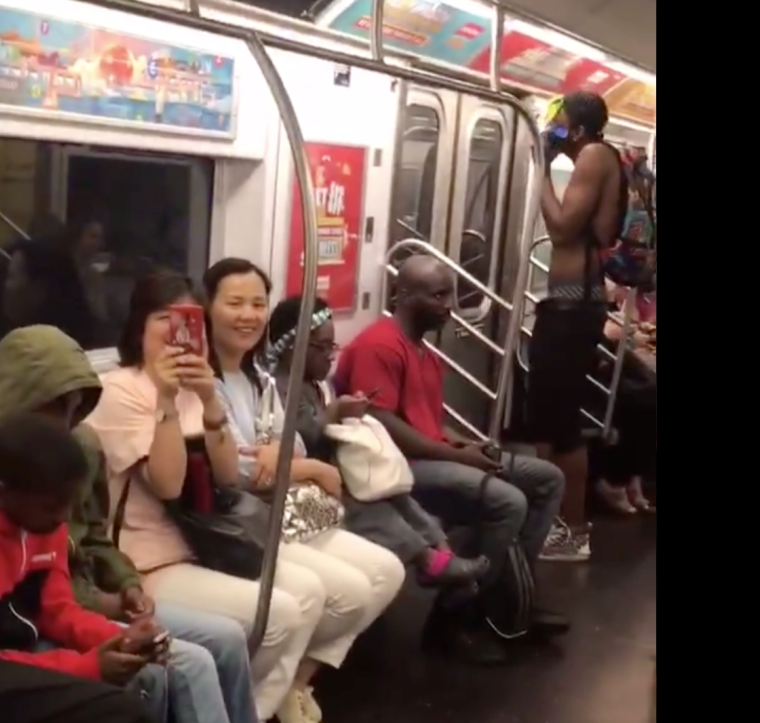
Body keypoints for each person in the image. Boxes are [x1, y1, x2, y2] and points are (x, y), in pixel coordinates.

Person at [84, 267, 399, 723]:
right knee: (286, 611)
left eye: (186, 319)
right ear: (139, 326)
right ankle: (241, 708)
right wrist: (167, 402)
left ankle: (250, 707)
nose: (176, 331)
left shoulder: (200, 385)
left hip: (206, 542)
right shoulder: (123, 390)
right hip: (148, 559)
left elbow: (228, 475)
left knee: (314, 596)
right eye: (163, 318)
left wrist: (208, 401)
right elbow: (168, 484)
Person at [0, 325, 259, 723]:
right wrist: (96, 649)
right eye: (52, 408)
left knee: (223, 639)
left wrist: (122, 609)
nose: (64, 422)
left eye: (72, 409)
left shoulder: (66, 473)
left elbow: (75, 564)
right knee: (172, 670)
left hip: (69, 608)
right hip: (7, 642)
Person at [333, 255, 566, 665]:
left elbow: (431, 423)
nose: (449, 305)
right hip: (393, 470)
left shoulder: (426, 353)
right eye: (439, 295)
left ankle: (508, 600)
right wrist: (459, 458)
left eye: (451, 295)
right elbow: (381, 422)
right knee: (506, 502)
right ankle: (453, 619)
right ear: (404, 295)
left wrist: (469, 446)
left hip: (426, 457)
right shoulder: (379, 345)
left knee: (547, 479)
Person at [202, 259, 406, 720]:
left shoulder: (258, 378)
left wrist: (281, 455)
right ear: (207, 309)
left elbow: (283, 441)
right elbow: (239, 470)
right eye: (234, 303)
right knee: (342, 591)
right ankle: (254, 704)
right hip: (241, 517)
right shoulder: (203, 382)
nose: (248, 315)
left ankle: (294, 680)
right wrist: (307, 466)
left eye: (257, 304)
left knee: (386, 571)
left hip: (284, 508)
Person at [265, 295, 488, 586]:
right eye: (322, 347)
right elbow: (303, 437)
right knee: (372, 506)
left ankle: (440, 548)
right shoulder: (282, 388)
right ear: (293, 348)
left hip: (342, 468)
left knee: (396, 494)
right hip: (314, 479)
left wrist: (349, 411)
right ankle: (426, 559)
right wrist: (336, 412)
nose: (331, 355)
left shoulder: (317, 384)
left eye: (332, 346)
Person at [0, 476, 155, 723]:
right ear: (3, 492)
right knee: (124, 704)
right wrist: (89, 666)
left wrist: (121, 640)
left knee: (161, 671)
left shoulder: (46, 510)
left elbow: (57, 607)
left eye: (69, 507)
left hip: (27, 640)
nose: (63, 518)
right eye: (52, 509)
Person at [531, 91, 629, 561]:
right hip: (570, 302)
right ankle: (554, 522)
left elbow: (563, 228)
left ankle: (574, 530)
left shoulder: (592, 154)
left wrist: (541, 169)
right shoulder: (599, 155)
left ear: (580, 128)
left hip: (575, 304)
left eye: (559, 121)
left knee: (562, 422)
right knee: (548, 417)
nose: (554, 127)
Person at [592, 286, 657, 515]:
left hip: (615, 351)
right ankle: (618, 478)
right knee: (639, 399)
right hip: (598, 357)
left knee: (649, 393)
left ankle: (633, 476)